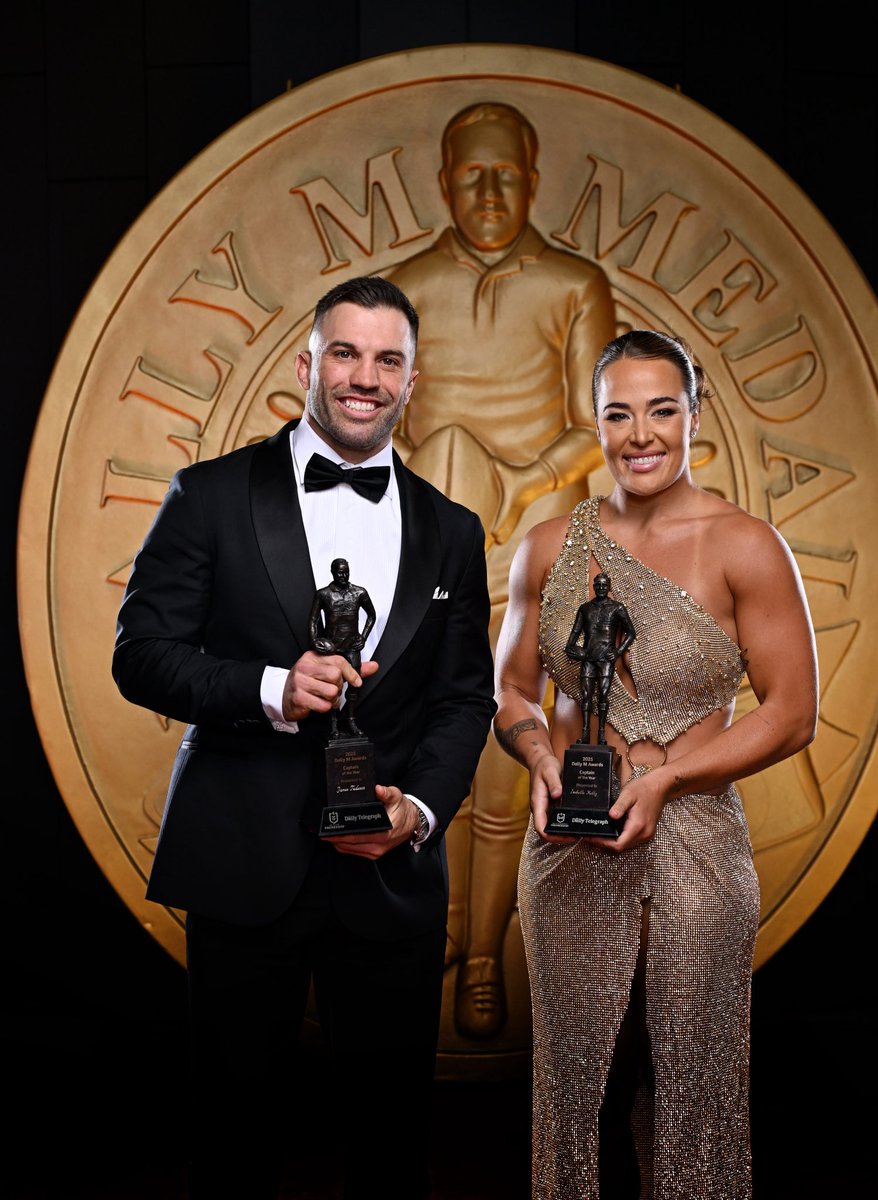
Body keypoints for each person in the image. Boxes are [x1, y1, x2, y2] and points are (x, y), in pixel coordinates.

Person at [112, 275, 496, 1200]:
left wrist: (418, 810)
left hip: (389, 877)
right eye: (345, 353)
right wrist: (271, 688)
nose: (365, 377)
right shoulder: (208, 494)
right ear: (306, 364)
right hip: (242, 864)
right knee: (232, 1149)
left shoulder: (453, 530)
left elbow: (463, 699)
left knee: (391, 1153)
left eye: (388, 359)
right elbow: (141, 657)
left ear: (413, 380)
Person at [493, 330, 819, 1198]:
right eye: (619, 414)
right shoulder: (547, 544)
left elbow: (792, 713)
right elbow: (513, 691)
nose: (640, 434)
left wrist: (670, 780)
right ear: (594, 423)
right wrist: (537, 753)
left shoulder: (746, 544)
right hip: (567, 845)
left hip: (697, 844)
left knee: (693, 1090)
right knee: (574, 1096)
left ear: (693, 418)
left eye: (662, 411)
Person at [387, 100, 617, 1038]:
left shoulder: (573, 284)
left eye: (507, 175)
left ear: (533, 181)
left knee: (507, 766)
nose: (489, 192)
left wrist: (528, 480)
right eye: (472, 175)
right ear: (445, 185)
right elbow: (386, 426)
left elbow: (596, 424)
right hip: (437, 549)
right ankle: (431, 934)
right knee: (425, 749)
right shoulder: (405, 287)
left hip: (536, 552)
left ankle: (481, 956)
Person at [565, 571, 636, 745]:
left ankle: (601, 736)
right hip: (588, 658)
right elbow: (574, 636)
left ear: (609, 587)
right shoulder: (585, 609)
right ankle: (585, 734)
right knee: (586, 695)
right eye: (598, 585)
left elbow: (631, 633)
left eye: (604, 585)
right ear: (594, 587)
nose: (601, 588)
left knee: (603, 695)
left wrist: (618, 652)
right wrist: (574, 650)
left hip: (606, 658)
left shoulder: (617, 608)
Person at [309, 558, 376, 738]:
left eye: (346, 572)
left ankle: (351, 720)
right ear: (332, 573)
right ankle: (333, 724)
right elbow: (313, 620)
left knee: (354, 686)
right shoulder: (323, 594)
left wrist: (363, 637)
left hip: (352, 647)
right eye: (340, 572)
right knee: (333, 687)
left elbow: (372, 615)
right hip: (332, 649)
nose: (344, 576)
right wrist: (315, 641)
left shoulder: (359, 592)